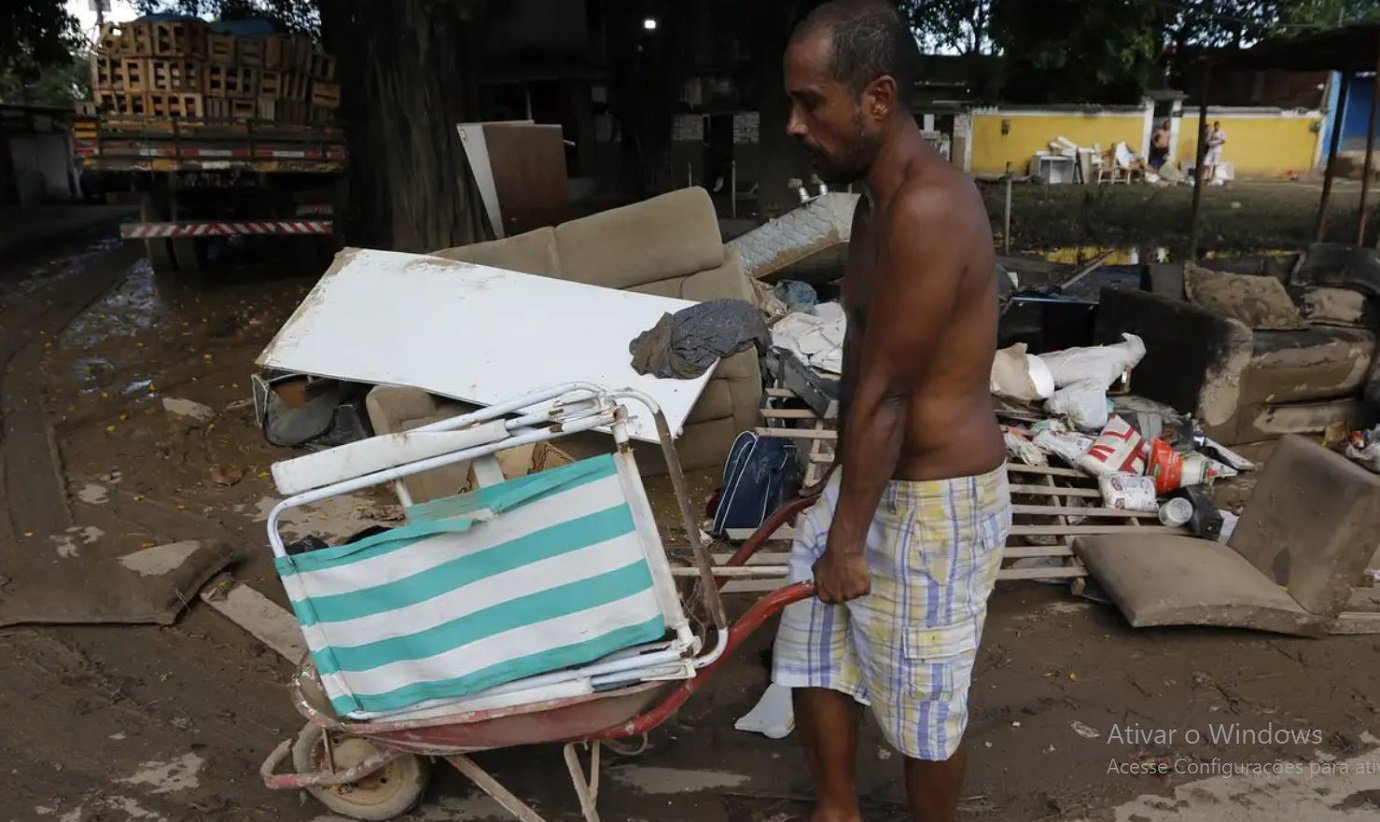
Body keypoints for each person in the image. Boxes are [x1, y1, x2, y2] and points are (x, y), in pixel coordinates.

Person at [773, 2, 1011, 821]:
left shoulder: (927, 208)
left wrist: (848, 538)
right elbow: (861, 355)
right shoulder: (874, 202)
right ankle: (837, 810)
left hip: (937, 503)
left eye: (812, 103)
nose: (795, 125)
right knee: (811, 654)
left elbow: (896, 391)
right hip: (875, 477)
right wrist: (837, 489)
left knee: (923, 706)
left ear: (877, 98)